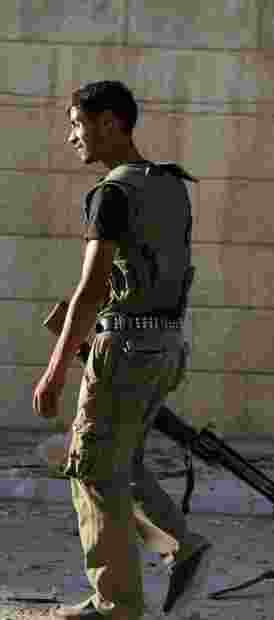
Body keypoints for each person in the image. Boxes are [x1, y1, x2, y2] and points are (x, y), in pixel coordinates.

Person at [32, 80, 211, 620]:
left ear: (109, 122)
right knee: (121, 464)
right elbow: (149, 274)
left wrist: (55, 369)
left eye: (76, 124)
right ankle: (180, 553)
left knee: (89, 468)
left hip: (125, 347)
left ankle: (118, 604)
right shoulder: (170, 186)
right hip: (165, 345)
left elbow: (92, 289)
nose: (71, 138)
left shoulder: (111, 193)